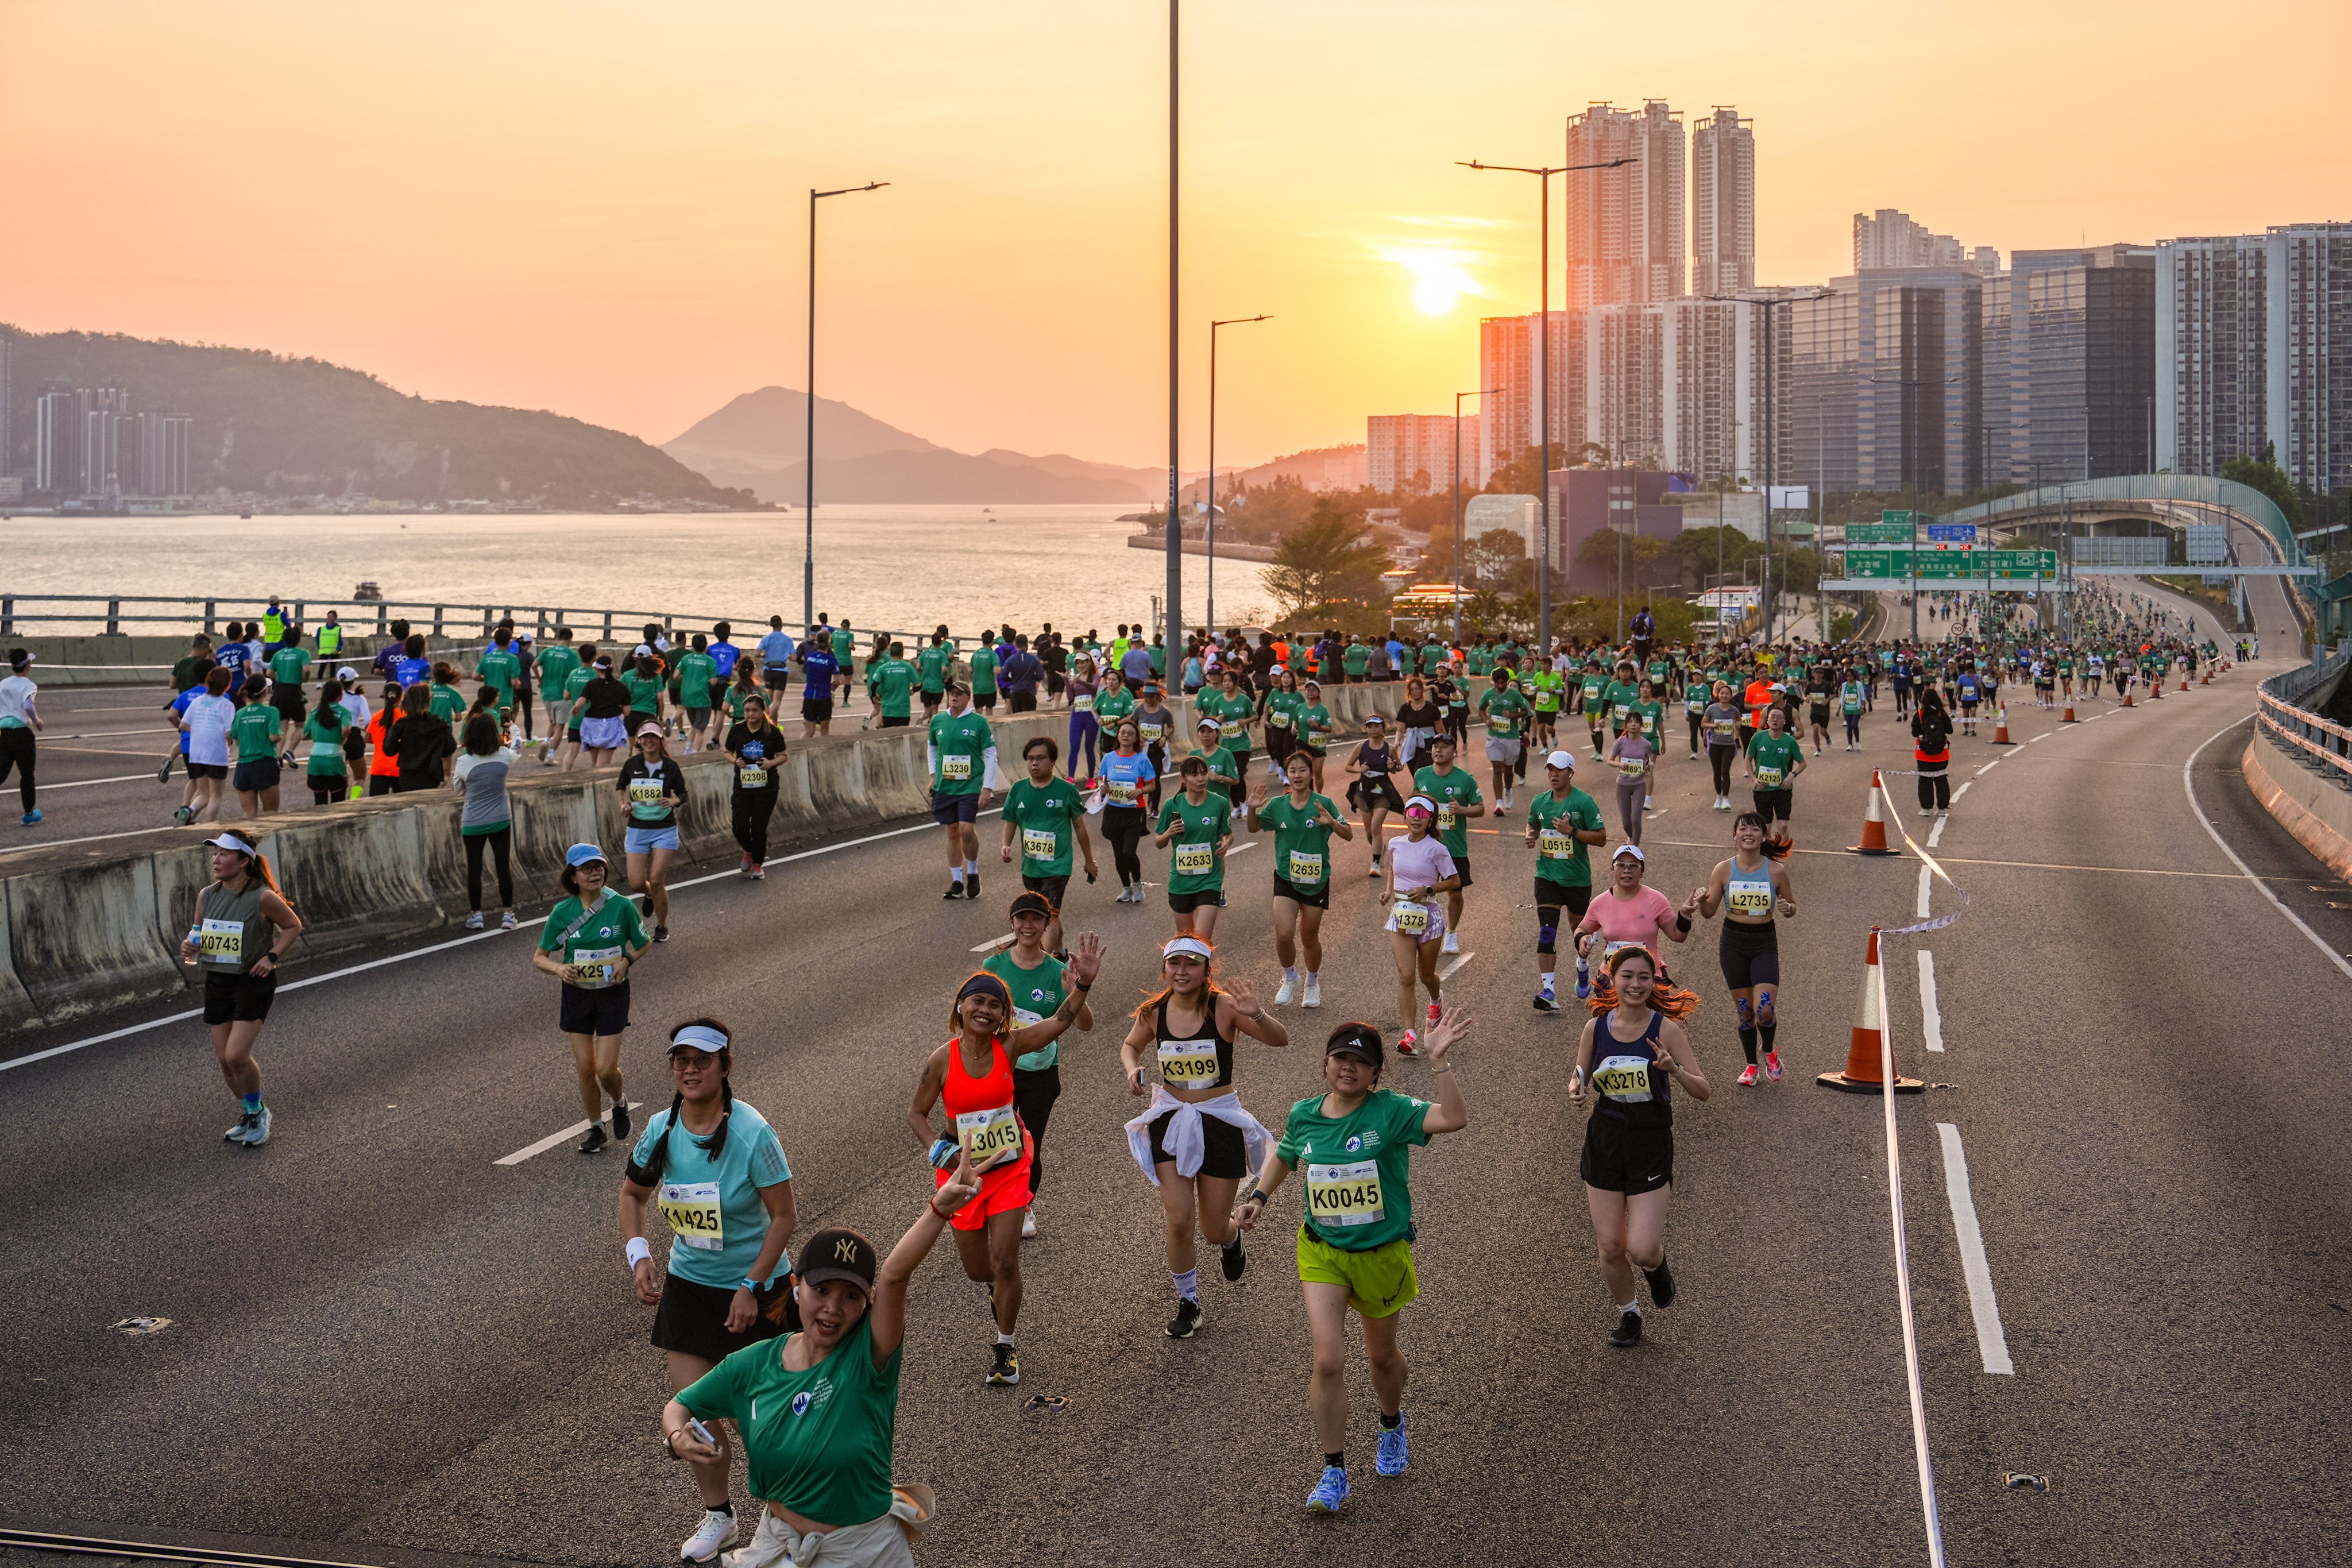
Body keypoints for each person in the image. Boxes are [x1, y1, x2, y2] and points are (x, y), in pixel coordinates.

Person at [659, 1184, 980, 1568]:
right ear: (796, 1287)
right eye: (822, 1289)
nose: (833, 1307)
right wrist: (677, 1438)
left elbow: (895, 1276)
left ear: (867, 1303)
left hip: (864, 1552)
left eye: (851, 1296)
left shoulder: (868, 1359)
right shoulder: (752, 1364)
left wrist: (939, 1209)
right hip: (779, 1546)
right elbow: (680, 1406)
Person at [1234, 1011, 1470, 1512]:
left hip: (1380, 1255)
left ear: (1375, 1074)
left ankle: (1391, 1423)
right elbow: (1287, 1153)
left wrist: (1438, 1062)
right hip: (1323, 1251)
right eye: (1341, 1058)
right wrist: (1259, 1196)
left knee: (1381, 1358)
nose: (1348, 1068)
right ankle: (1333, 1472)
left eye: (1360, 1063)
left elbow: (1453, 1119)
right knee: (1327, 1359)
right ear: (1325, 1063)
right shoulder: (1305, 1113)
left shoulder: (1391, 1111)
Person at [620, 1019, 799, 1565]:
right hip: (689, 1287)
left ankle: (789, 1522)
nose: (690, 1069)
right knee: (698, 1414)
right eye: (681, 1060)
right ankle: (719, 1516)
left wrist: (750, 1286)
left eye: (702, 1060)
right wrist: (640, 1255)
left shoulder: (752, 1133)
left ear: (725, 1067)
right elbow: (632, 1195)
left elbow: (784, 1217)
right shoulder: (661, 1128)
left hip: (759, 1294)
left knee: (763, 1423)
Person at [907, 937, 1103, 1384]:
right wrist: (943, 1152)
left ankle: (1005, 1348)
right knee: (980, 1272)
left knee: (1007, 1260)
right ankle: (997, 1290)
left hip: (1011, 1166)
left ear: (1003, 1016)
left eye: (996, 1006)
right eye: (978, 1001)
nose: (986, 1011)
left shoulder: (1009, 1046)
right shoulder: (942, 1059)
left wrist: (1084, 984)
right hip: (962, 1175)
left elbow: (1060, 1021)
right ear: (961, 1007)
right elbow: (916, 1114)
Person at [1119, 936, 1286, 1337]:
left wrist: (1257, 1013)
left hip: (1218, 1120)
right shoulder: (1153, 1012)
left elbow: (1280, 1039)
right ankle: (1189, 1302)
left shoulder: (1224, 1007)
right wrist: (1131, 1068)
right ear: (1164, 969)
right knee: (1178, 1219)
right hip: (1172, 1119)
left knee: (1212, 1230)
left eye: (1191, 964)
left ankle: (1230, 1239)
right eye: (1174, 963)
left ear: (1206, 969)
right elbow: (1130, 1045)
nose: (1181, 971)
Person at [1569, 945, 1709, 1348]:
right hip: (1606, 1136)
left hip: (1649, 1139)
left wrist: (1674, 1069)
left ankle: (1657, 1268)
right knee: (1611, 1246)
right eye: (1627, 976)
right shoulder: (1595, 1028)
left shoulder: (1664, 1029)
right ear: (1613, 979)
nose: (1635, 984)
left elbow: (1703, 1090)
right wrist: (1575, 1089)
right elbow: (1579, 1073)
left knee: (1642, 1249)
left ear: (1653, 982)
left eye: (1643, 977)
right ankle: (1629, 1315)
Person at [177, 829, 303, 1146]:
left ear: (244, 861)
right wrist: (190, 946)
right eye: (215, 854)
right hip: (219, 980)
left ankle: (260, 1113)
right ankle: (249, 1113)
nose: (216, 860)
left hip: (253, 981)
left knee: (237, 1055)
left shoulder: (262, 896)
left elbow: (293, 926)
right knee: (224, 1060)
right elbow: (198, 932)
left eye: (224, 854)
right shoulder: (208, 895)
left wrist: (271, 957)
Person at [983, 893, 1097, 1239]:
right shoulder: (993, 967)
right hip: (999, 1070)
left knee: (1028, 1141)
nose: (1028, 926)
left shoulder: (1058, 971)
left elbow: (1085, 1024)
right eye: (1022, 919)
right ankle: (992, 1201)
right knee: (995, 1141)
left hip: (1040, 1074)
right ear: (1013, 923)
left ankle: (1023, 1204)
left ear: (1048, 925)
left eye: (1036, 919)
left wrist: (1078, 989)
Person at [533, 843, 652, 1153]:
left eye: (598, 867)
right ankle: (596, 1129)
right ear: (572, 876)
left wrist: (626, 961)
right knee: (586, 1066)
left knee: (605, 1069)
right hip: (577, 995)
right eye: (586, 869)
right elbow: (540, 957)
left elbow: (644, 943)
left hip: (612, 994)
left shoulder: (621, 906)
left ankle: (619, 1102)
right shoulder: (563, 913)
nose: (594, 873)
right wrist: (560, 969)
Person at [1690, 811, 1797, 1086]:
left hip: (1763, 943)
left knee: (1764, 1010)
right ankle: (1751, 1066)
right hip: (1733, 944)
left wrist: (1787, 908)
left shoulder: (1776, 871)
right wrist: (1702, 901)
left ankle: (1769, 1052)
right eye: (1743, 829)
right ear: (1735, 836)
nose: (1748, 833)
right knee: (1745, 1013)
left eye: (1754, 829)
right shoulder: (1723, 870)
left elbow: (1791, 907)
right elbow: (1709, 911)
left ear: (1763, 835)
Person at [1248, 749, 1352, 1009]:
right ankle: (1290, 976)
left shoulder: (1323, 803)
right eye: (1292, 770)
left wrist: (1331, 823)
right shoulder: (1277, 805)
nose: (1297, 775)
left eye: (1302, 770)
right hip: (1286, 877)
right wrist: (1251, 809)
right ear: (1287, 774)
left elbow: (1349, 834)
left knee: (1309, 937)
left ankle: (1312, 983)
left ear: (1311, 774)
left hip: (1316, 880)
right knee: (1284, 934)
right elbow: (1253, 828)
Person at [1524, 750, 1608, 1013]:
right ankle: (1548, 991)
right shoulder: (1540, 802)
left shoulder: (1583, 802)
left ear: (1570, 772)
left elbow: (1602, 838)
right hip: (1547, 875)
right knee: (1546, 931)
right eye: (1550, 769)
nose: (1553, 774)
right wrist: (1530, 836)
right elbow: (1532, 825)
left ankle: (1582, 967)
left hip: (1576, 878)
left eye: (1559, 770)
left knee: (1580, 933)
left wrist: (1572, 831)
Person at [1573, 845, 1700, 1008]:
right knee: (1612, 1028)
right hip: (1612, 976)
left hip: (1648, 976)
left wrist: (1684, 915)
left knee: (1653, 1028)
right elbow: (1582, 929)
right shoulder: (1600, 903)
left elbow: (1678, 936)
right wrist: (1581, 938)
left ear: (1642, 872)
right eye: (1621, 865)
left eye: (1633, 865)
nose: (1627, 870)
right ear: (1613, 869)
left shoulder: (1656, 899)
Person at [999, 735, 1095, 947]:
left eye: (1041, 758)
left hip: (1058, 865)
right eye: (1030, 759)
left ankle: (1046, 960)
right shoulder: (1018, 789)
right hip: (1031, 865)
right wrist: (1006, 845)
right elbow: (1011, 822)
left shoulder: (1066, 791)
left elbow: (1080, 827)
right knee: (1047, 912)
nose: (1035, 763)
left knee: (1048, 913)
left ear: (1052, 761)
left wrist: (1089, 861)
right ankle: (1060, 952)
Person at [1380, 795, 1458, 1053]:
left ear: (1430, 820)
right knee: (1406, 976)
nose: (1416, 817)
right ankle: (1409, 1036)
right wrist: (1389, 891)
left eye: (1423, 814)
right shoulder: (1395, 843)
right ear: (1404, 815)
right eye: (1412, 812)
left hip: (1429, 917)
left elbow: (1454, 881)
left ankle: (1436, 999)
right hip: (1401, 915)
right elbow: (1392, 868)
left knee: (1426, 975)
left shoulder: (1437, 849)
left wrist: (1428, 888)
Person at [1410, 732, 1484, 956]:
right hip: (1424, 846)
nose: (1439, 750)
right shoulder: (1422, 775)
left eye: (1444, 747)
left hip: (1454, 847)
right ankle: (1420, 930)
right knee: (1419, 892)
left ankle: (1451, 932)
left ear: (1454, 751)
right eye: (1435, 747)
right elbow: (1413, 803)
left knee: (1454, 893)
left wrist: (1462, 810)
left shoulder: (1465, 780)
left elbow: (1480, 808)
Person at [1153, 754, 1234, 940]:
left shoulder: (1220, 803)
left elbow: (1228, 833)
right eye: (1194, 775)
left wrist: (1226, 843)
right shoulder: (1172, 805)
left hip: (1210, 879)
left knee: (1203, 940)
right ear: (1183, 778)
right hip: (1181, 881)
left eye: (1204, 774)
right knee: (1186, 941)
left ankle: (1206, 968)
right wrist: (1168, 833)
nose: (1201, 779)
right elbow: (1159, 843)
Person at [619, 724, 688, 941]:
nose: (649, 741)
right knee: (636, 883)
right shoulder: (632, 764)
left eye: (654, 738)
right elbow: (620, 788)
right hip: (638, 829)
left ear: (660, 741)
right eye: (645, 737)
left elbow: (683, 794)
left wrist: (673, 801)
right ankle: (648, 894)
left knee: (657, 879)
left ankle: (661, 925)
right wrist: (623, 805)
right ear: (638, 741)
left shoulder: (671, 767)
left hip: (664, 829)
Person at [451, 713, 520, 930]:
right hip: (500, 819)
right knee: (503, 868)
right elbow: (517, 746)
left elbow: (457, 789)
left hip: (473, 822)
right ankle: (508, 915)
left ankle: (476, 915)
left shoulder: (464, 762)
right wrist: (512, 727)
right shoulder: (504, 757)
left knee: (474, 868)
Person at [929, 680, 996, 901]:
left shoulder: (979, 722)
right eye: (951, 693)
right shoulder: (938, 720)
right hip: (946, 785)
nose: (954, 697)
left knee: (967, 830)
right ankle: (957, 881)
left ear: (968, 697)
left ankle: (973, 872)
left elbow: (990, 754)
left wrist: (987, 787)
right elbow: (932, 748)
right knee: (952, 831)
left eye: (959, 693)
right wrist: (932, 775)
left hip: (970, 784)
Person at [724, 694, 789, 879]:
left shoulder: (772, 732)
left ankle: (758, 865)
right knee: (739, 826)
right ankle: (748, 851)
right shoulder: (737, 730)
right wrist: (735, 761)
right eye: (747, 711)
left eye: (754, 710)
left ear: (762, 712)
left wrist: (771, 763)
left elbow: (784, 755)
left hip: (766, 787)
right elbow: (727, 752)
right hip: (743, 787)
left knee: (759, 827)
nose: (750, 714)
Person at [1098, 718, 1157, 905]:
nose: (1125, 736)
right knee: (1118, 854)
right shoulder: (1108, 758)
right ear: (1118, 735)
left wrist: (1140, 791)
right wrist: (1103, 787)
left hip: (1134, 811)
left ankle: (1138, 883)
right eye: (1122, 732)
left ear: (1135, 739)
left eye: (1130, 734)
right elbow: (1102, 781)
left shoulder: (1142, 760)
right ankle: (1126, 888)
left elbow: (1152, 785)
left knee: (1128, 852)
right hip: (1114, 811)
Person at [1344, 713, 1405, 876]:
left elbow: (1399, 768)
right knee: (1369, 833)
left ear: (1383, 728)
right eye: (1370, 727)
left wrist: (1393, 766)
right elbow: (1348, 767)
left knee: (1375, 828)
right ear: (1366, 729)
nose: (1373, 730)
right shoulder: (1361, 747)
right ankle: (1380, 849)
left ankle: (1376, 864)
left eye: (1376, 726)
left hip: (1382, 791)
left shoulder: (1389, 749)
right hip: (1364, 791)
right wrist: (1360, 769)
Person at [1743, 702, 1805, 850]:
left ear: (1785, 722)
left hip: (1783, 789)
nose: (1775, 720)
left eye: (1779, 718)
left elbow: (1802, 763)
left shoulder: (1790, 741)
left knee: (1783, 825)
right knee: (1766, 828)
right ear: (1767, 720)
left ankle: (1782, 853)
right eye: (1772, 717)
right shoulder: (1758, 737)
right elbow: (1748, 759)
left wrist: (1792, 774)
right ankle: (1769, 854)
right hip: (1762, 789)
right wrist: (1753, 778)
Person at [1477, 667, 1531, 816]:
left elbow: (1526, 711)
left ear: (1506, 682)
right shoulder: (1488, 694)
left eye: (1502, 683)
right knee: (1497, 768)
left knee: (1508, 770)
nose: (1500, 686)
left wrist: (1513, 715)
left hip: (1511, 737)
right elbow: (1481, 710)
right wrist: (1486, 720)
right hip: (1494, 736)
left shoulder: (1515, 695)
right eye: (1497, 683)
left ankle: (1508, 789)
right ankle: (1499, 803)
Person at [1, 648, 43, 825]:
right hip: (22, 734)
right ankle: (29, 813)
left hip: (4, 733)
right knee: (27, 774)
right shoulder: (29, 685)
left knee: (1, 773)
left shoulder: (3, 684)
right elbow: (27, 705)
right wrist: (37, 721)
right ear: (27, 666)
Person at [299, 678, 352, 806]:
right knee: (338, 802)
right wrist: (343, 738)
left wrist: (319, 735)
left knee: (320, 802)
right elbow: (346, 728)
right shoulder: (344, 712)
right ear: (340, 695)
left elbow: (304, 735)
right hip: (335, 761)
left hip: (316, 761)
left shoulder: (315, 712)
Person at [1606, 713, 1654, 848]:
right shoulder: (1620, 742)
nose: (1633, 725)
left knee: (1636, 819)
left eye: (1637, 722)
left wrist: (1648, 767)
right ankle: (1631, 836)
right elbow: (1610, 761)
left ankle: (1635, 848)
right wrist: (1620, 765)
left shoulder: (1646, 744)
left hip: (1639, 784)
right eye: (1630, 722)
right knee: (1626, 822)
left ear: (1641, 725)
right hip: (1623, 784)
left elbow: (1650, 762)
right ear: (1626, 725)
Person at [1911, 686, 1954, 816]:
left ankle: (1926, 808)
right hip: (1941, 753)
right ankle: (1941, 808)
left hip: (1923, 753)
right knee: (1941, 779)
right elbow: (1950, 730)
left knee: (1925, 779)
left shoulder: (1919, 714)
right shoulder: (1942, 713)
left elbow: (1914, 733)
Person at [796, 629, 840, 738]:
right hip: (824, 697)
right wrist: (833, 687)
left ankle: (801, 749)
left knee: (809, 730)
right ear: (829, 644)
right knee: (824, 730)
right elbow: (837, 682)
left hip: (809, 695)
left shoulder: (810, 657)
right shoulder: (832, 661)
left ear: (816, 643)